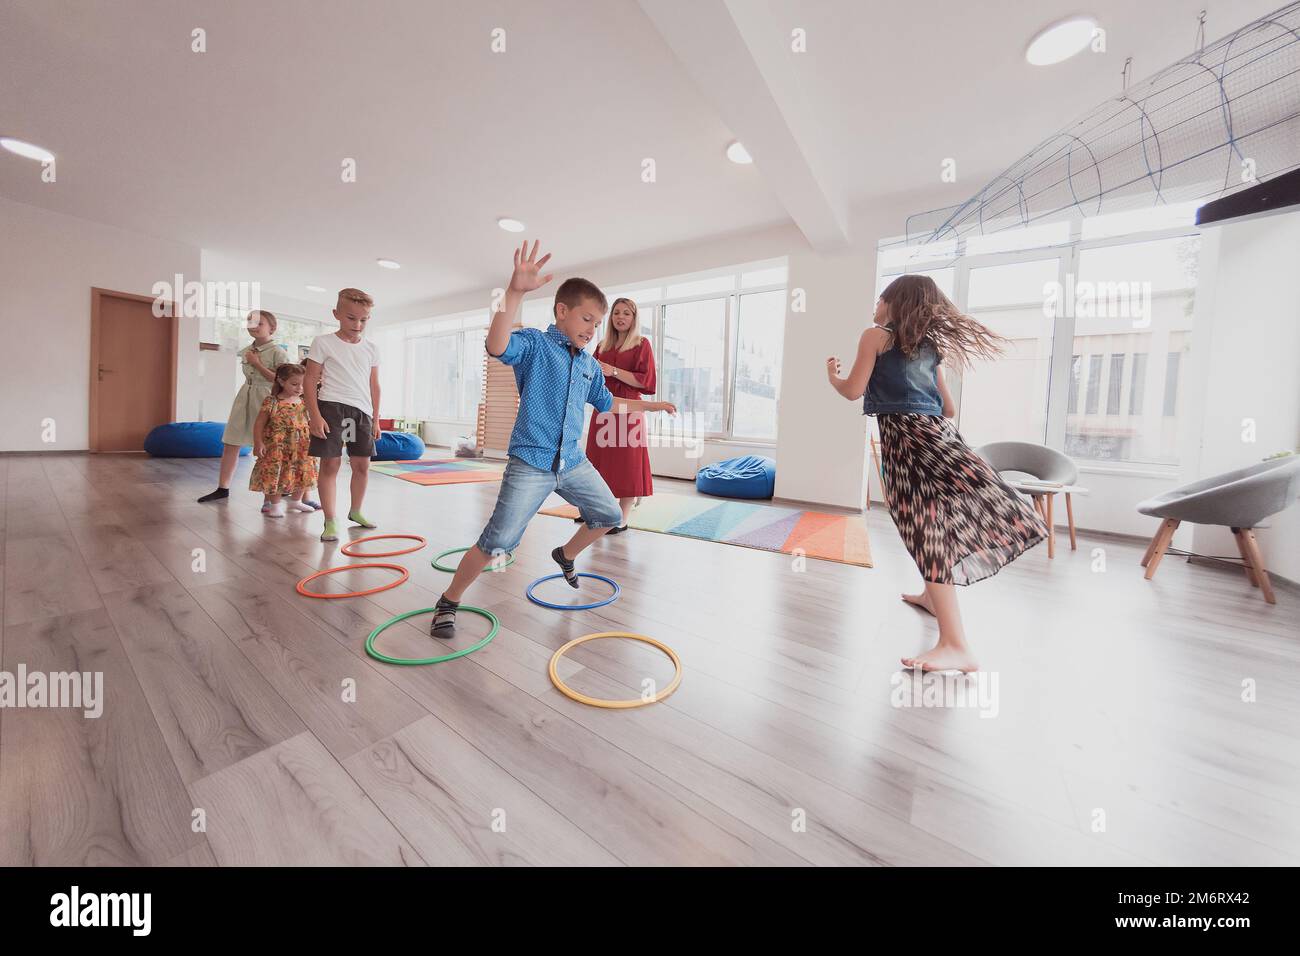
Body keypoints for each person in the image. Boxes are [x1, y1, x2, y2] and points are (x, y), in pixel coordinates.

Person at [430, 241, 676, 636]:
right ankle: (449, 600)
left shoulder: (590, 365)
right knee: (498, 542)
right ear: (561, 312)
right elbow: (496, 346)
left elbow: (610, 404)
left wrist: (652, 406)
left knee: (610, 516)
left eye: (597, 324)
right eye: (587, 319)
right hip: (532, 463)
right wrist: (514, 293)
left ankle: (565, 553)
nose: (593, 329)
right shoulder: (535, 345)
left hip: (573, 463)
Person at [826, 274, 1047, 673]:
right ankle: (933, 596)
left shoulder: (874, 337)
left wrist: (833, 378)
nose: (874, 307)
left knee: (920, 525)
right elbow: (947, 408)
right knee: (927, 522)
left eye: (880, 299)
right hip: (938, 436)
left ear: (896, 303)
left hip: (910, 444)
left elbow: (854, 390)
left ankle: (955, 644)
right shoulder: (930, 347)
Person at [304, 288, 382, 542]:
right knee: (331, 464)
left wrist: (376, 419)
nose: (357, 324)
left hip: (361, 412)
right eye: (351, 318)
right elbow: (309, 379)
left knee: (362, 465)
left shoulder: (371, 348)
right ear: (336, 314)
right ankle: (330, 520)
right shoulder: (323, 342)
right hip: (332, 408)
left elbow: (375, 385)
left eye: (363, 319)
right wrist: (314, 415)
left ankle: (356, 511)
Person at [197, 310, 289, 506]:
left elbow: (284, 380)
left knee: (272, 445)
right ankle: (222, 488)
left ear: (272, 328)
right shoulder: (247, 350)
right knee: (231, 441)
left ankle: (278, 489)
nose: (253, 325)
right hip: (244, 396)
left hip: (267, 399)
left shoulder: (278, 352)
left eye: (259, 323)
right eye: (250, 321)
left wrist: (257, 364)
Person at [582, 297, 657, 533]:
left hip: (629, 410)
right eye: (616, 313)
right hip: (604, 408)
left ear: (634, 318)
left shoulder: (641, 344)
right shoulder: (602, 345)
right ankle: (599, 511)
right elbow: (589, 376)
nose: (621, 317)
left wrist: (613, 371)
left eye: (626, 313)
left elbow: (645, 381)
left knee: (628, 463)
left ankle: (622, 518)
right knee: (599, 461)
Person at [249, 364, 319, 517]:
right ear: (281, 381)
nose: (299, 388)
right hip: (277, 447)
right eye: (294, 384)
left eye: (302, 384)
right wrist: (258, 442)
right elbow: (259, 424)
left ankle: (296, 501)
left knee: (303, 471)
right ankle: (275, 504)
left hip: (301, 446)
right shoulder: (272, 401)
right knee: (277, 474)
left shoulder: (305, 401)